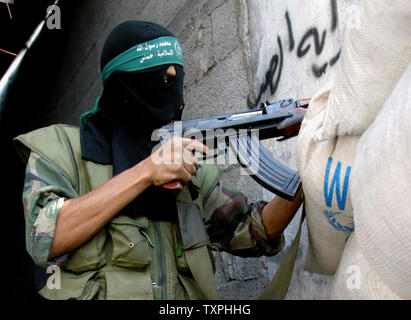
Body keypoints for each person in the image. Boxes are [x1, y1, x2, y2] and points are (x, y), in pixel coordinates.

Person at [14, 21, 303, 300]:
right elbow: (45, 238)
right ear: (121, 86)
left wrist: (310, 164)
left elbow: (255, 233)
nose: (172, 94)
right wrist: (147, 172)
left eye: (176, 79)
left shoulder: (192, 172)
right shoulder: (62, 150)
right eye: (162, 81)